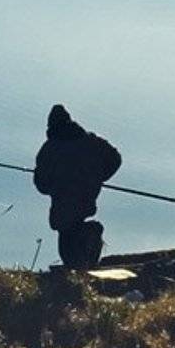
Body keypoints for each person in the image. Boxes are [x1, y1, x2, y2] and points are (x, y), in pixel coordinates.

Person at [32, 104, 122, 269]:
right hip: (87, 194)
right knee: (74, 226)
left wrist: (52, 184)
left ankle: (88, 242)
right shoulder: (91, 141)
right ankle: (87, 248)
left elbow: (41, 184)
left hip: (62, 199)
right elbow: (115, 158)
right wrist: (98, 177)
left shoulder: (49, 149)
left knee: (66, 240)